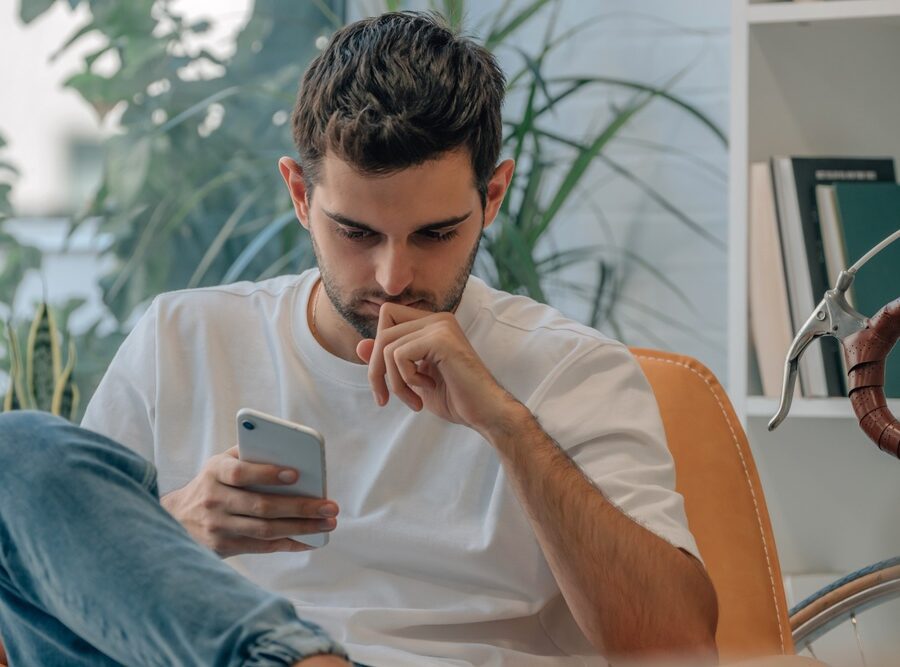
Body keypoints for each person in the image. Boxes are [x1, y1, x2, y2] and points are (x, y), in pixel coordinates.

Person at [0, 10, 717, 666]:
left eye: (435, 234)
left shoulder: (574, 371)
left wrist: (507, 425)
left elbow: (681, 649)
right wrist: (175, 527)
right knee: (17, 452)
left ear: (492, 196)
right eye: (355, 232)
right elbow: (58, 601)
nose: (393, 276)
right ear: (299, 194)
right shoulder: (181, 337)